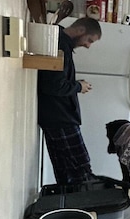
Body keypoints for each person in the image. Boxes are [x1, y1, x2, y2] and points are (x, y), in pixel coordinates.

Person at [38, 17, 102, 185]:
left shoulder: (58, 40)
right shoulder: (61, 46)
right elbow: (53, 85)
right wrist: (78, 87)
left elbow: (55, 81)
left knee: (64, 171)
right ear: (80, 30)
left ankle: (70, 207)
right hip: (61, 118)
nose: (88, 46)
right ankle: (82, 206)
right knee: (81, 169)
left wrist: (76, 84)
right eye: (89, 40)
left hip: (55, 117)